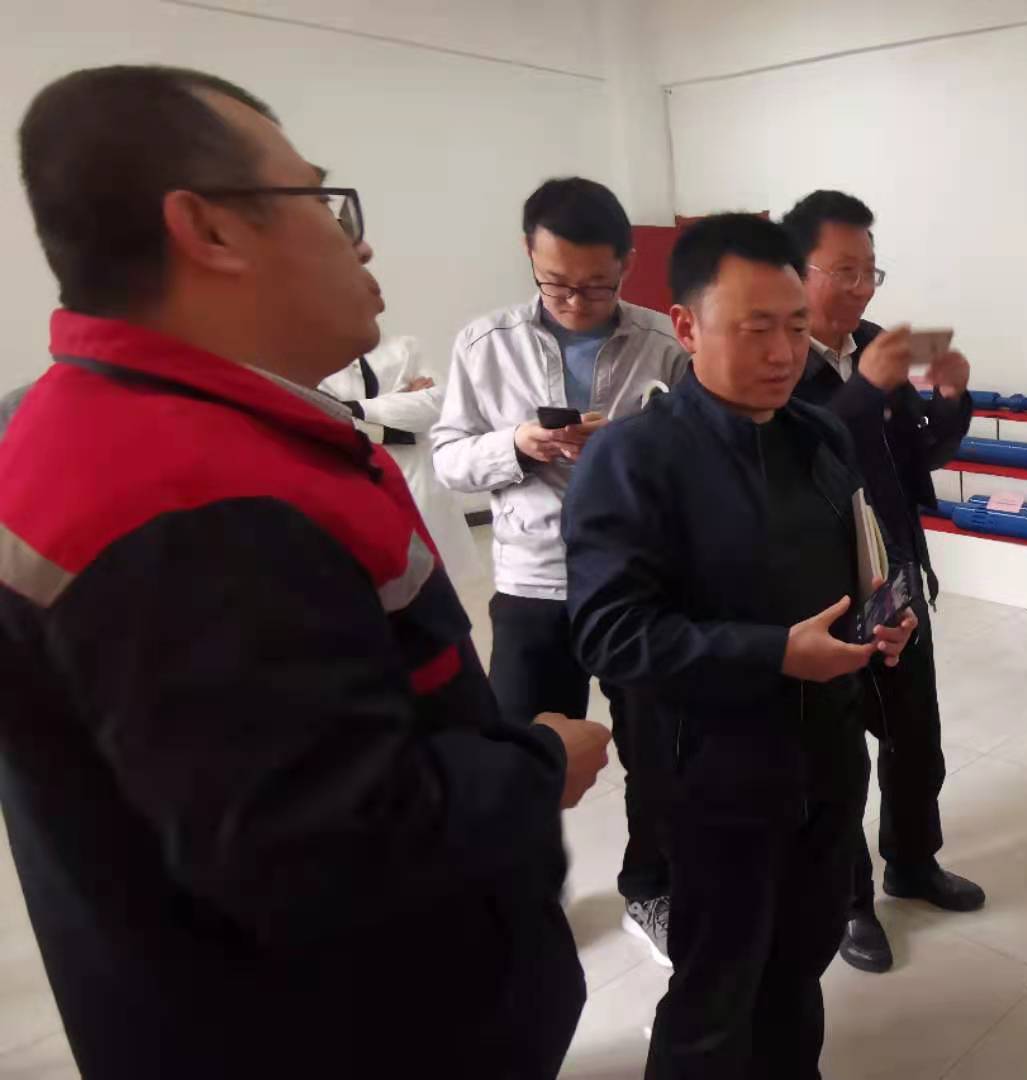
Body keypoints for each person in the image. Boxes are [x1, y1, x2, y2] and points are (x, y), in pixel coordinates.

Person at [0, 65, 608, 1076]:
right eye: (324, 203)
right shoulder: (184, 502)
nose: (357, 242)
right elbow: (328, 844)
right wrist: (538, 762)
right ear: (210, 229)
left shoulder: (128, 426)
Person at [564, 212, 916, 1078]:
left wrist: (883, 616)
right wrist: (773, 653)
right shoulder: (634, 458)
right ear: (686, 326)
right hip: (713, 775)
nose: (784, 352)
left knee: (801, 960)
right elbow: (609, 632)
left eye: (795, 326)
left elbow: (857, 558)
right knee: (717, 987)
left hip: (827, 757)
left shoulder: (817, 434)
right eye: (755, 328)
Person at [432, 176, 688, 967]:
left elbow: (692, 456)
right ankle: (528, 896)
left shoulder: (662, 344)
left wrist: (630, 455)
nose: (576, 302)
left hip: (636, 582)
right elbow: (448, 458)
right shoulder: (486, 343)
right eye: (556, 284)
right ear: (529, 255)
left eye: (597, 285)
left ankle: (652, 888)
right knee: (522, 752)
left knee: (657, 749)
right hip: (532, 582)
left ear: (628, 263)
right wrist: (518, 445)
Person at [778, 190, 984, 975]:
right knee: (836, 761)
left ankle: (913, 861)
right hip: (821, 593)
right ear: (797, 271)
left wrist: (950, 402)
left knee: (914, 737)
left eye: (871, 270)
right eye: (845, 271)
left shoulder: (873, 349)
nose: (863, 288)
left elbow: (913, 455)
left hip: (895, 576)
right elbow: (808, 456)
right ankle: (849, 899)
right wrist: (865, 388)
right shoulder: (776, 359)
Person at [319, 335, 486, 597]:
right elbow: (323, 422)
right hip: (354, 485)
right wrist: (400, 405)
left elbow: (438, 405)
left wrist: (353, 408)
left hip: (420, 486)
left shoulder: (404, 347)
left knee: (438, 592)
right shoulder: (307, 362)